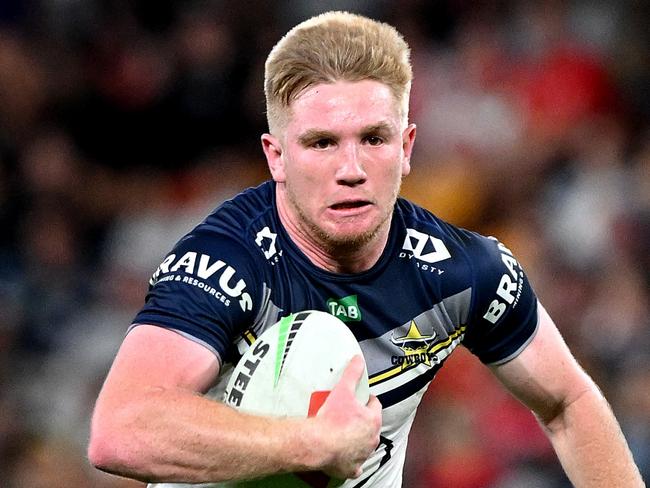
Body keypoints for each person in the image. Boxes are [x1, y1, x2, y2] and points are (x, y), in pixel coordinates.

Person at [88, 11, 645, 488]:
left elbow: (570, 404)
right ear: (276, 156)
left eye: (373, 139)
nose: (351, 170)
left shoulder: (462, 270)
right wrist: (311, 444)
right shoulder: (227, 260)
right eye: (322, 143)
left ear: (406, 148)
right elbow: (119, 430)